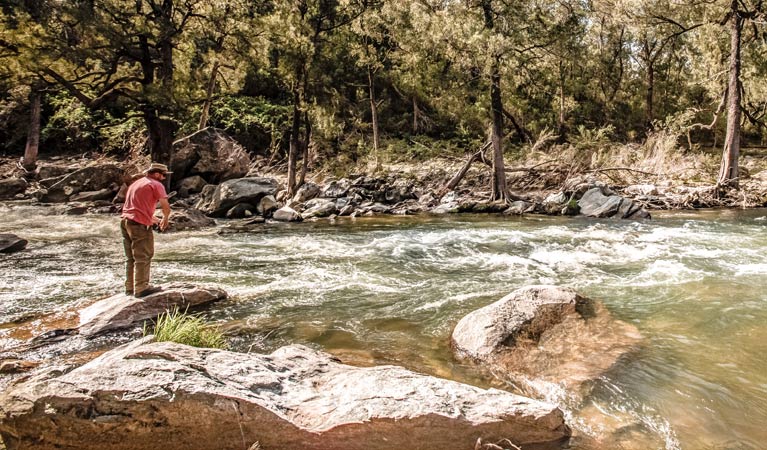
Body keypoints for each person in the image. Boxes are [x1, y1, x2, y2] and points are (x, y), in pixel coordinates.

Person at [120, 162, 171, 297]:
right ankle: (142, 288)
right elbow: (165, 206)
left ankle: (130, 288)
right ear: (156, 174)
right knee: (144, 256)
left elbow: (135, 209)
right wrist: (165, 219)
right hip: (139, 225)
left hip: (126, 222)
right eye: (163, 175)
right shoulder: (156, 184)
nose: (164, 178)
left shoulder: (136, 184)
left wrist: (155, 220)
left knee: (131, 258)